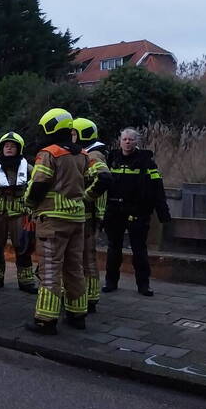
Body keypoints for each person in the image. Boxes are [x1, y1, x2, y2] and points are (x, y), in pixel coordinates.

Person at [23, 108, 96, 335]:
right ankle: (77, 314)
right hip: (77, 218)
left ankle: (45, 319)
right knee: (74, 266)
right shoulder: (83, 154)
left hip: (53, 220)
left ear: (49, 127)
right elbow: (91, 181)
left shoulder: (49, 153)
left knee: (51, 268)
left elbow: (40, 183)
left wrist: (30, 204)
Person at [102, 127, 171, 297]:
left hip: (138, 211)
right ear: (120, 141)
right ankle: (110, 282)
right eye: (124, 139)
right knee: (113, 248)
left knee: (139, 249)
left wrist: (163, 213)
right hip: (115, 210)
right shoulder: (112, 159)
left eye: (131, 139)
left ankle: (143, 285)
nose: (127, 142)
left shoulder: (147, 162)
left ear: (137, 141)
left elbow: (157, 189)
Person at [0, 131, 38, 294]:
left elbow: (33, 187)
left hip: (20, 210)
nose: (9, 149)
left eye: (13, 146)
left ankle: (26, 280)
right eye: (6, 146)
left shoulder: (29, 168)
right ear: (1, 148)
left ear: (19, 149)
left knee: (23, 246)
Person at [72, 118, 111, 312]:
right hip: (88, 215)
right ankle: (90, 296)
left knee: (86, 257)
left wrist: (85, 197)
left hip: (88, 216)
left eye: (73, 134)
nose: (71, 138)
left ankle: (89, 297)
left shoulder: (93, 155)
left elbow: (103, 178)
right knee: (85, 257)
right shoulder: (88, 153)